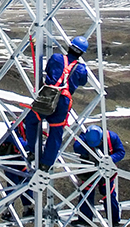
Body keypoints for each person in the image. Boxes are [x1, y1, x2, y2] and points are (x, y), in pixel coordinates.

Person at [22, 36, 89, 171]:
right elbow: (82, 81)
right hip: (63, 101)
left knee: (31, 121)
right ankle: (46, 163)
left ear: (70, 46)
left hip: (47, 96)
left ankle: (34, 150)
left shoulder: (56, 58)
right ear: (81, 53)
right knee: (56, 131)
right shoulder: (81, 69)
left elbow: (48, 69)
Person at [73, 125, 125, 226]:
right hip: (89, 170)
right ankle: (84, 220)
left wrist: (110, 159)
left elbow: (121, 152)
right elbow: (77, 147)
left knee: (109, 194)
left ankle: (114, 222)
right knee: (86, 194)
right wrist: (88, 148)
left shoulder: (112, 138)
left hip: (105, 172)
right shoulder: (84, 136)